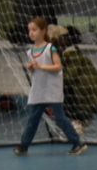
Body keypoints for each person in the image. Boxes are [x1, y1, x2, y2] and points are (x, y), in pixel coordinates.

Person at [14, 18, 88, 155]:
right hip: (38, 90)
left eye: (34, 30)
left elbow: (58, 67)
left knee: (60, 119)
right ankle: (24, 145)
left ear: (43, 31)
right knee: (32, 120)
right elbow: (36, 72)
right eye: (29, 30)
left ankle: (77, 142)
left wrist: (41, 66)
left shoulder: (50, 48)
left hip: (52, 90)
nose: (31, 33)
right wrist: (31, 68)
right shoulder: (30, 52)